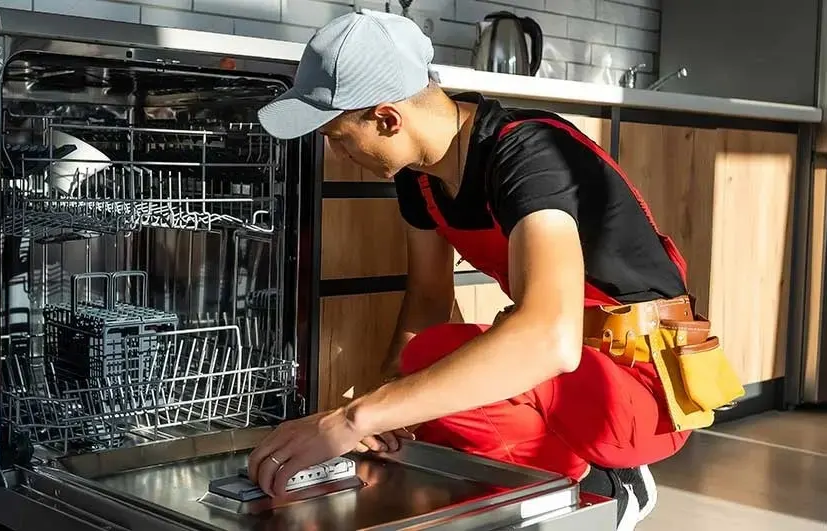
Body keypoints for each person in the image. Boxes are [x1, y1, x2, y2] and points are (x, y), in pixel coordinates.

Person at [247, 9, 704, 530]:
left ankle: (595, 491)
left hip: (642, 386)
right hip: (571, 371)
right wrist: (391, 410)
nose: (337, 151)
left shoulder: (530, 152)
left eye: (339, 134)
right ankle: (530, 494)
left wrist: (355, 418)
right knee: (423, 367)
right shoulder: (418, 178)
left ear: (387, 119)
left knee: (438, 360)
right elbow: (427, 300)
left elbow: (548, 340)